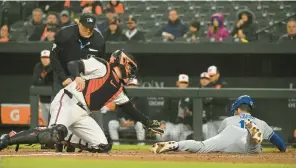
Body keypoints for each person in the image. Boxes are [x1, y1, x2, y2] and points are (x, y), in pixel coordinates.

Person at [0, 50, 163, 152]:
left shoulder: (119, 89)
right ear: (121, 62)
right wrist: (77, 76)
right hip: (69, 101)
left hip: (83, 114)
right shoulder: (102, 66)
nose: (130, 72)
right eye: (129, 67)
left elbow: (130, 109)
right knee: (51, 135)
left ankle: (68, 138)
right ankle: (9, 138)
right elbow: (73, 64)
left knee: (102, 146)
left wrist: (149, 123)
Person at [151, 95, 286, 154]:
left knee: (201, 146)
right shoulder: (261, 122)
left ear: (238, 109)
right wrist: (283, 150)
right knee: (253, 148)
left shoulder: (229, 120)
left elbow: (219, 137)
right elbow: (280, 144)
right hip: (250, 144)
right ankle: (253, 137)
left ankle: (175, 145)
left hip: (229, 136)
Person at [50, 12, 105, 99]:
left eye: (91, 28)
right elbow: (54, 57)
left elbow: (100, 64)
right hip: (63, 73)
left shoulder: (99, 40)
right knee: (57, 107)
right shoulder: (64, 34)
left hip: (84, 77)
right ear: (79, 24)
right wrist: (63, 78)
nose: (88, 30)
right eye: (85, 27)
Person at [108, 78, 147, 145]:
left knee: (140, 124)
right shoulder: (121, 97)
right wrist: (122, 121)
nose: (131, 87)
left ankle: (141, 144)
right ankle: (116, 145)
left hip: (135, 124)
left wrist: (133, 121)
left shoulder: (142, 99)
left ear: (137, 87)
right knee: (112, 123)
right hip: (123, 123)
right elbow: (118, 113)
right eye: (130, 85)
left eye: (133, 85)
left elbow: (145, 114)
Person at [32, 50, 53, 126]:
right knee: (46, 121)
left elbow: (52, 82)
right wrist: (45, 81)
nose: (45, 59)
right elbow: (34, 81)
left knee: (54, 121)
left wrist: (41, 80)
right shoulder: (38, 66)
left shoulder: (54, 66)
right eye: (43, 57)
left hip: (53, 100)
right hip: (43, 99)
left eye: (47, 57)